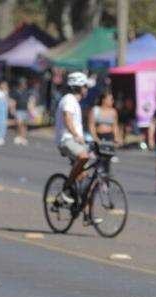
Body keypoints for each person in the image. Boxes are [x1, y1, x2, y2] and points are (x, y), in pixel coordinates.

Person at [55, 72, 91, 205]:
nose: (87, 89)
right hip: (67, 140)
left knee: (87, 177)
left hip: (76, 141)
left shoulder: (75, 102)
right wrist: (76, 135)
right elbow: (67, 119)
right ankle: (67, 188)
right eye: (85, 86)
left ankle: (86, 213)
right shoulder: (69, 99)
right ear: (78, 87)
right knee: (83, 157)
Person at [11, 77, 35, 145]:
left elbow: (30, 101)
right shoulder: (16, 91)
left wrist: (31, 110)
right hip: (19, 110)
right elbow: (14, 101)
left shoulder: (27, 92)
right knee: (19, 123)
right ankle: (19, 136)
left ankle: (23, 137)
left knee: (24, 125)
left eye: (24, 83)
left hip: (25, 110)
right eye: (22, 83)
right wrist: (12, 108)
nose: (24, 85)